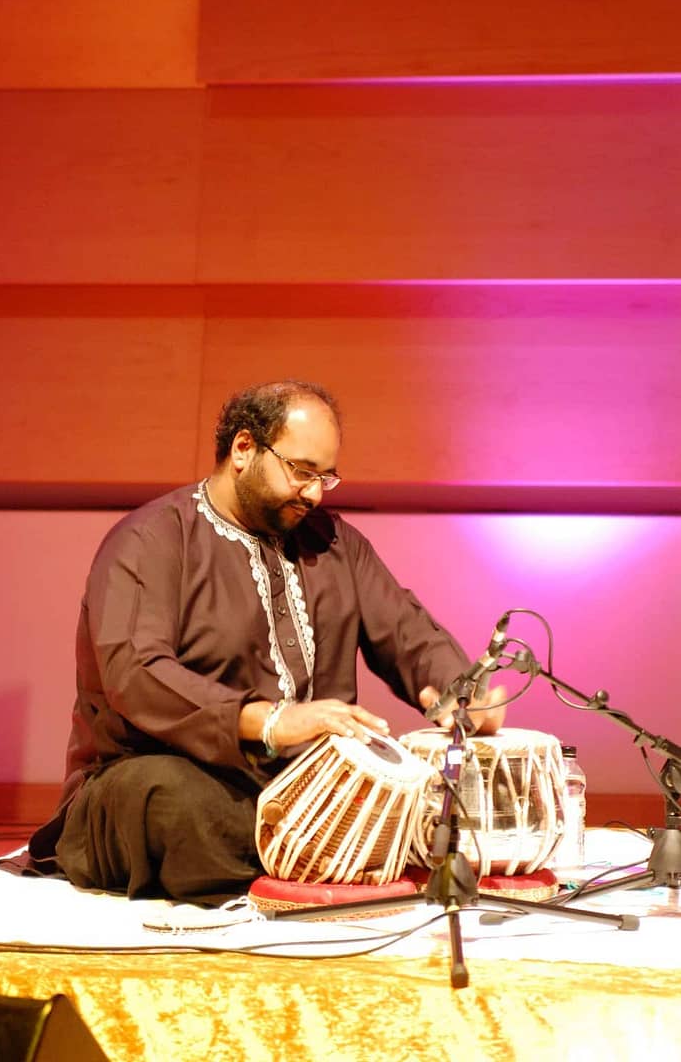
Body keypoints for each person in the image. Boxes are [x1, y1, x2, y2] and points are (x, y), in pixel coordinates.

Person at [26, 380, 505, 904]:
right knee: (176, 803)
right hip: (155, 780)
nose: (315, 493)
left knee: (417, 795)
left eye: (327, 476)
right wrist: (268, 721)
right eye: (301, 471)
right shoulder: (151, 540)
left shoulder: (333, 543)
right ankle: (320, 862)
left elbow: (407, 631)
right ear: (244, 448)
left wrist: (463, 692)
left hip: (304, 789)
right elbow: (136, 674)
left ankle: (316, 855)